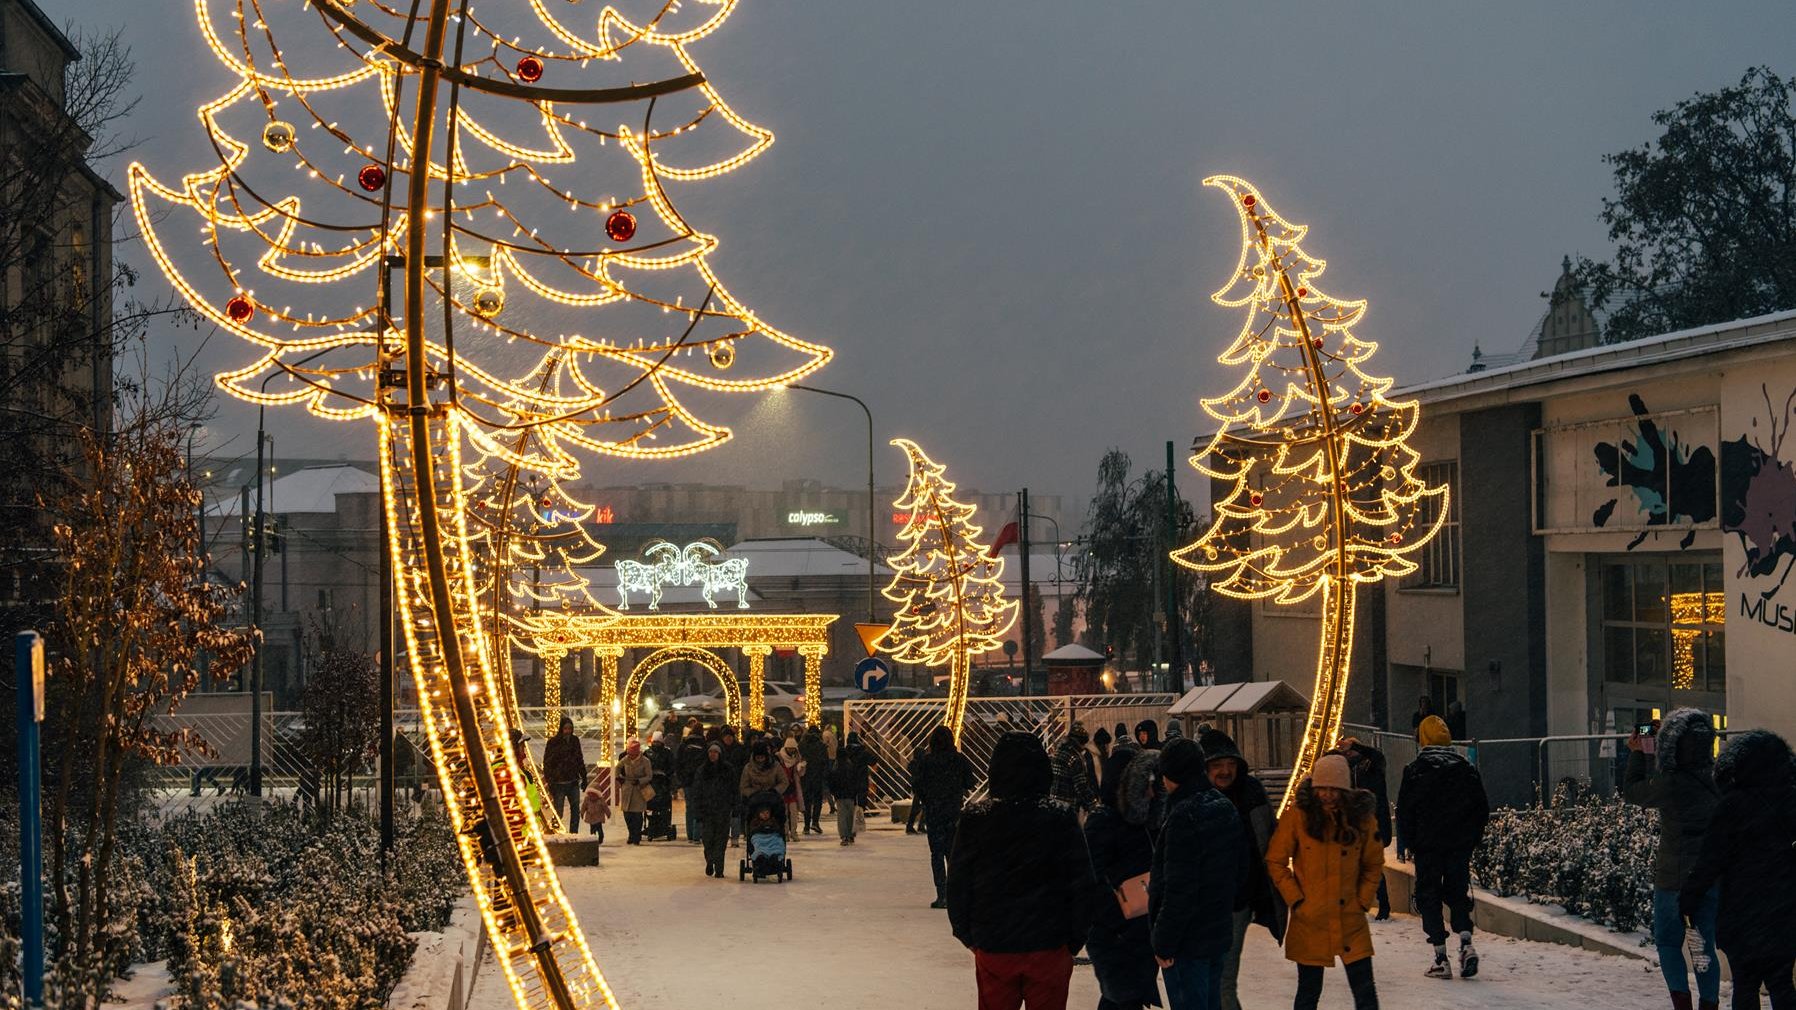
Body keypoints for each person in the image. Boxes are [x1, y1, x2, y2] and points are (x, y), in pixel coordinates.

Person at [947, 731, 1101, 1010]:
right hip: (1049, 944)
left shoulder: (976, 819)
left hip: (995, 942)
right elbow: (1083, 883)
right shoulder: (1060, 817)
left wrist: (967, 934)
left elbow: (958, 882)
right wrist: (1075, 939)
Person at [1680, 730, 1796, 1010]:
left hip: (1742, 910)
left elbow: (1711, 858)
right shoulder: (1790, 801)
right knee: (1781, 984)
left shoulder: (1732, 806)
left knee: (1745, 985)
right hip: (1784, 909)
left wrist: (1689, 898)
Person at [1265, 754, 1384, 1010]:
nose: (1328, 795)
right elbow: (1275, 860)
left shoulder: (1361, 819)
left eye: (1335, 789)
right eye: (1323, 788)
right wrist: (1295, 898)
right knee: (1308, 993)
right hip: (1310, 918)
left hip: (1350, 918)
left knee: (1365, 993)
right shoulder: (1298, 816)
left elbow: (1373, 863)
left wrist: (1363, 900)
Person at [1625, 708, 1721, 1010]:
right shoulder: (1717, 778)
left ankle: (1682, 1004)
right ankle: (1709, 1004)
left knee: (1668, 943)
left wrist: (1639, 753)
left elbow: (1633, 791)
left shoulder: (1670, 783)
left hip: (1673, 878)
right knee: (1703, 945)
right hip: (1709, 877)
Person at [1150, 737, 1245, 1010]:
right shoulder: (1222, 805)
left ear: (1171, 775)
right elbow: (1240, 870)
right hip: (1216, 932)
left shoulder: (1183, 816)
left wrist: (1164, 941)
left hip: (1187, 942)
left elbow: (1179, 888)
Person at [1396, 715, 1489, 980]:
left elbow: (1405, 812)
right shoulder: (1466, 768)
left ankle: (1440, 956)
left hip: (1428, 847)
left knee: (1429, 897)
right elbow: (1480, 808)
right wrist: (1470, 839)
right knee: (1458, 892)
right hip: (1458, 845)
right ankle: (1466, 941)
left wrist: (1413, 842)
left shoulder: (1416, 770)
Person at [1199, 728, 1282, 1010]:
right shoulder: (1195, 798)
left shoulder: (1251, 794)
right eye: (1218, 765)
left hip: (1237, 903)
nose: (1225, 771)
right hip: (1201, 904)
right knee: (1206, 981)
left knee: (1222, 980)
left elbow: (1272, 841)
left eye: (1230, 765)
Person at [1084, 737, 1159, 1010]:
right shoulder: (1104, 823)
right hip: (1117, 933)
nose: (1152, 793)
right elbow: (1091, 880)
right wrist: (1118, 921)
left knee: (1127, 998)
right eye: (1146, 786)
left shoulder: (1142, 822)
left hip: (1136, 931)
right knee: (1122, 999)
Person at [913, 725, 976, 909]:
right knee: (953, 854)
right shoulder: (958, 760)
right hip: (953, 812)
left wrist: (928, 798)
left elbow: (917, 785)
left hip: (934, 812)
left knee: (937, 854)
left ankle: (941, 894)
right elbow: (970, 782)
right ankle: (954, 893)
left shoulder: (927, 761)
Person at [1336, 737, 1393, 920]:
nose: (1348, 754)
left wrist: (1355, 745)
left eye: (1350, 750)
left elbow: (1377, 756)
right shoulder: (1347, 769)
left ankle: (1381, 904)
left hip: (1373, 825)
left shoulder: (1372, 765)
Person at [691, 742, 738, 878]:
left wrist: (735, 806)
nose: (712, 754)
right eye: (711, 752)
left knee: (721, 839)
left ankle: (719, 868)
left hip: (723, 809)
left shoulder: (728, 769)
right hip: (707, 810)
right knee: (708, 838)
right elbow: (697, 791)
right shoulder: (702, 770)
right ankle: (710, 860)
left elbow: (734, 789)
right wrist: (698, 809)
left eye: (715, 752)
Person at [541, 716, 587, 834]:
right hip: (558, 783)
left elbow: (579, 759)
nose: (568, 731)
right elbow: (547, 762)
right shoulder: (553, 742)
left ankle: (573, 833)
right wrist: (550, 780)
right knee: (558, 811)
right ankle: (555, 831)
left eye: (570, 728)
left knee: (575, 809)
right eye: (565, 728)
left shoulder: (574, 741)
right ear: (561, 728)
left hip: (572, 781)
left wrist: (584, 776)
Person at [831, 732, 872, 845]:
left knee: (842, 815)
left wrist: (833, 792)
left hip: (840, 794)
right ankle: (851, 834)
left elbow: (832, 780)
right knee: (851, 814)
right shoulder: (856, 759)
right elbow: (873, 760)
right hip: (853, 791)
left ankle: (844, 835)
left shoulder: (837, 766)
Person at [1051, 724, 1097, 813]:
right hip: (1068, 804)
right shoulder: (1074, 757)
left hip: (1054, 801)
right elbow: (1080, 785)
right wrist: (1093, 804)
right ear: (1080, 743)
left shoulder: (1057, 752)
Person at [617, 738, 653, 845]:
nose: (630, 756)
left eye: (632, 754)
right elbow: (617, 767)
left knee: (637, 815)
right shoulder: (626, 759)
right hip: (627, 789)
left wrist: (640, 781)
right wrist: (619, 778)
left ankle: (636, 835)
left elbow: (649, 776)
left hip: (639, 790)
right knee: (627, 814)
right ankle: (631, 833)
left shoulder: (645, 761)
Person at [676, 721, 707, 846]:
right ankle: (696, 835)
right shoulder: (704, 744)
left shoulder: (684, 743)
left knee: (689, 807)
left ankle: (690, 834)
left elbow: (678, 761)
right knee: (699, 806)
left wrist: (680, 778)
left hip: (687, 779)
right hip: (699, 779)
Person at [720, 726, 749, 847]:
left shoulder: (739, 749)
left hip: (736, 784)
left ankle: (735, 836)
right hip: (722, 785)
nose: (728, 739)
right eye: (726, 737)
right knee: (723, 813)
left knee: (736, 812)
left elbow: (744, 766)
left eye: (730, 737)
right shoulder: (719, 749)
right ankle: (723, 835)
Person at [645, 730, 676, 840]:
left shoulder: (649, 753)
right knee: (659, 806)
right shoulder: (665, 753)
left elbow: (672, 768)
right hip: (657, 785)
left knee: (657, 806)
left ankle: (658, 824)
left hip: (660, 785)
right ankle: (660, 824)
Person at [799, 725, 829, 834]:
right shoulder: (821, 746)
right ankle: (815, 822)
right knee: (817, 800)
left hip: (805, 776)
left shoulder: (802, 745)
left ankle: (806, 826)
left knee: (807, 801)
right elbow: (825, 762)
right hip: (818, 777)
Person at [779, 737, 805, 841]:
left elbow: (801, 774)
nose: (791, 750)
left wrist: (801, 768)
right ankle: (785, 833)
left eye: (793, 748)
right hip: (783, 789)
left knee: (794, 813)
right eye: (789, 748)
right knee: (784, 813)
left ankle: (794, 832)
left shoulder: (797, 758)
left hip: (793, 789)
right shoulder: (779, 757)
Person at [579, 764, 610, 842]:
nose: (592, 796)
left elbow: (605, 807)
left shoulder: (600, 800)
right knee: (592, 829)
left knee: (599, 829)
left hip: (598, 817)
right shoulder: (587, 799)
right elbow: (583, 807)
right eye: (590, 794)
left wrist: (608, 813)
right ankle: (593, 839)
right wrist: (582, 813)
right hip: (591, 816)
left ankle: (600, 838)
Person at [907, 745, 930, 835]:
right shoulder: (918, 764)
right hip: (921, 788)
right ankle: (913, 825)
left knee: (921, 808)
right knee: (918, 808)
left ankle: (918, 825)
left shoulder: (915, 763)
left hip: (920, 788)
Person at [822, 723, 840, 813]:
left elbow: (824, 746)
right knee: (834, 782)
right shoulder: (833, 736)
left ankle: (832, 805)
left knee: (826, 783)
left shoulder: (825, 735)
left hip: (828, 759)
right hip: (834, 758)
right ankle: (835, 804)